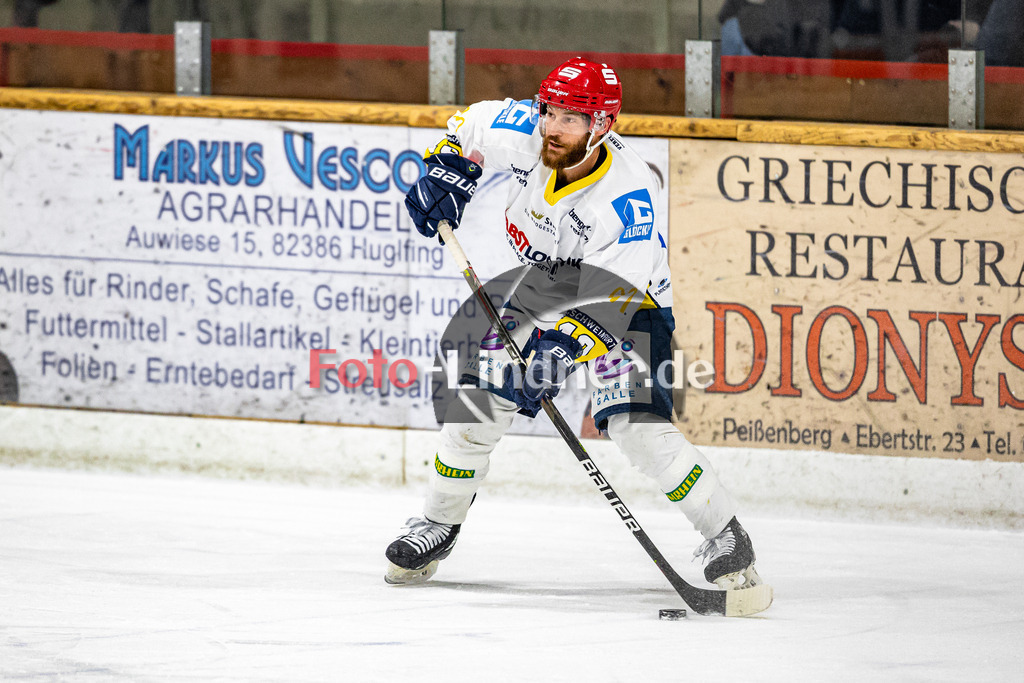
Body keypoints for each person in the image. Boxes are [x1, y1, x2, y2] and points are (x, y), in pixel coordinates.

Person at [384, 58, 768, 596]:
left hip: (633, 305)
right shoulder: (528, 132)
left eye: (571, 118)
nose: (554, 126)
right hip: (545, 287)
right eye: (551, 111)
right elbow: (468, 126)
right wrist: (448, 170)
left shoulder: (628, 198)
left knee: (639, 429)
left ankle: (727, 536)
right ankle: (437, 524)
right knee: (473, 403)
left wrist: (559, 352)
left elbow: (615, 299)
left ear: (603, 125)